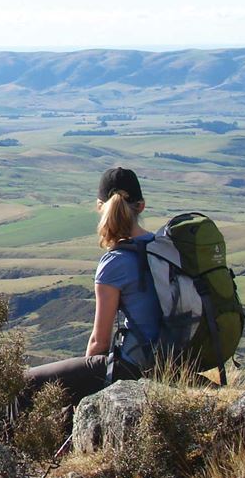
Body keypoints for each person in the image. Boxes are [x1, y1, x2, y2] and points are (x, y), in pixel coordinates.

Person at [20, 167, 162, 408]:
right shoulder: (162, 247)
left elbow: (99, 341)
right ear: (141, 206)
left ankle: (13, 447)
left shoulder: (115, 262)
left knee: (24, 383)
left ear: (99, 206)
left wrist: (89, 392)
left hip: (135, 366)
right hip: (173, 358)